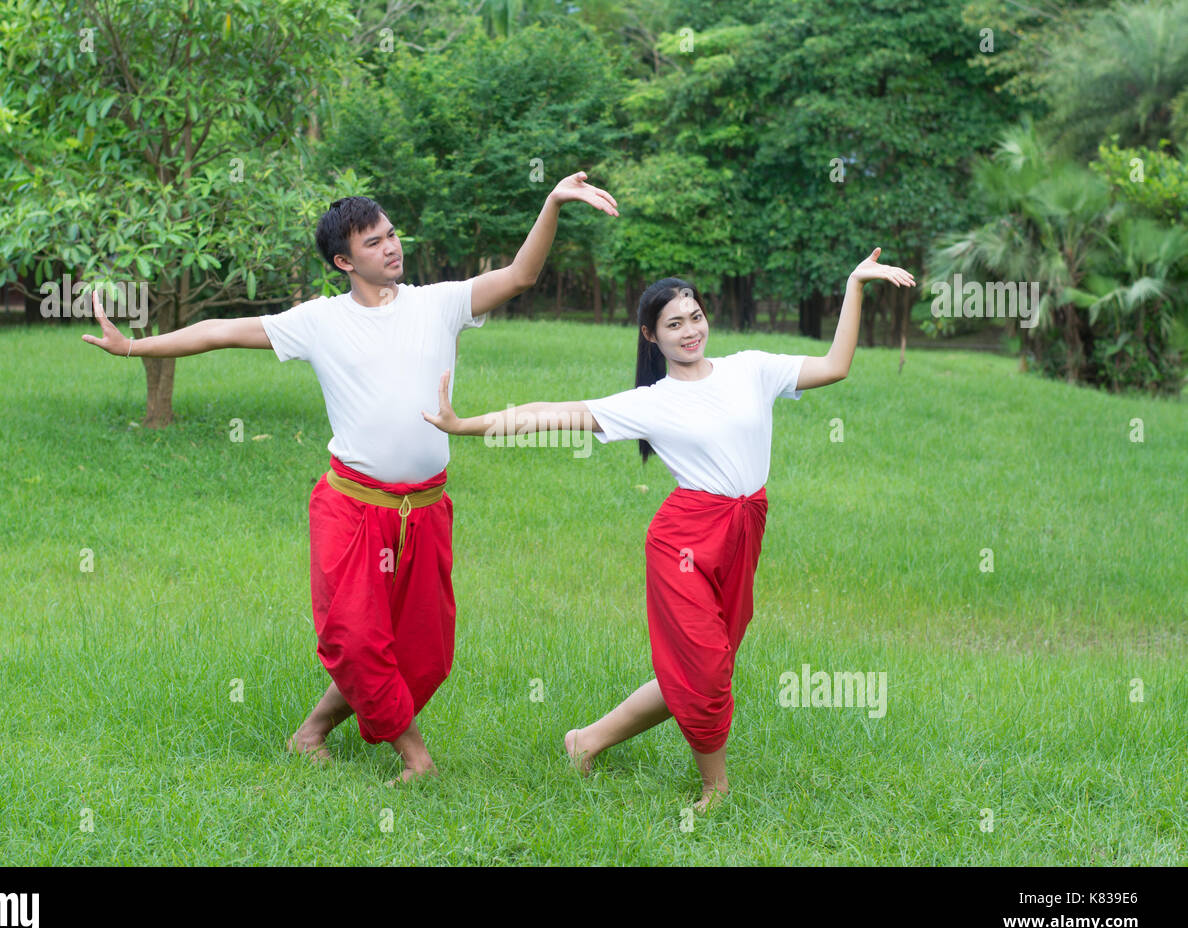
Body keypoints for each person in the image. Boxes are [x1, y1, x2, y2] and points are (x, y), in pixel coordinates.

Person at [83, 172, 619, 785]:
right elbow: (219, 333)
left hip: (425, 511)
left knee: (424, 654)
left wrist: (550, 202)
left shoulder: (438, 303)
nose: (391, 247)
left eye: (392, 235)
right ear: (344, 260)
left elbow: (520, 275)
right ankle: (417, 760)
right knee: (358, 641)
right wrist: (133, 348)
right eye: (374, 242)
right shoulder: (320, 321)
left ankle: (310, 732)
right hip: (353, 508)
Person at [422, 248, 914, 809]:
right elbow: (551, 413)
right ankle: (716, 788)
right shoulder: (651, 403)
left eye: (695, 317)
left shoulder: (750, 368)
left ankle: (586, 741)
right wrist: (463, 425)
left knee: (703, 665)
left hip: (743, 530)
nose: (689, 331)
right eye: (674, 324)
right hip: (684, 541)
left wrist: (853, 283)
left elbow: (835, 366)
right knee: (704, 667)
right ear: (651, 336)